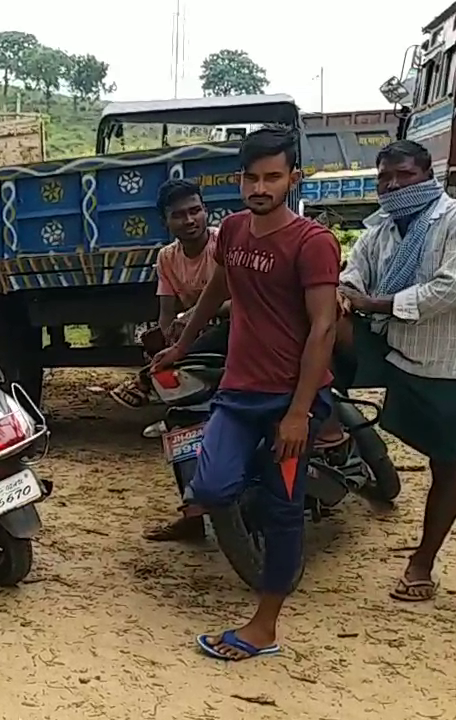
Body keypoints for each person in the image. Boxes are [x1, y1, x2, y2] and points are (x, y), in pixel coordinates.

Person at [151, 127, 341, 661]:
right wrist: (181, 346)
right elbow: (219, 288)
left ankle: (264, 628)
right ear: (239, 180)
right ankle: (268, 473)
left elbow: (323, 328)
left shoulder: (313, 242)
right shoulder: (232, 231)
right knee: (208, 488)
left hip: (288, 400)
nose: (261, 186)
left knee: (282, 513)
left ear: (292, 179)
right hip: (238, 393)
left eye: (273, 177)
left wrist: (301, 412)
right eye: (252, 177)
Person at [338, 140, 456, 602]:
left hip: (443, 362)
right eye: (383, 178)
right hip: (388, 348)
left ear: (427, 174)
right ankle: (328, 423)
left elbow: (449, 288)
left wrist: (376, 303)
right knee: (326, 320)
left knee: (447, 468)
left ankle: (421, 563)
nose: (391, 186)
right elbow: (352, 277)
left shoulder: (450, 221)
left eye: (402, 176)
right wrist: (347, 296)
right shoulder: (379, 230)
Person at [111, 179, 227, 413]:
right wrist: (166, 342)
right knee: (155, 344)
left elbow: (241, 302)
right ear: (165, 222)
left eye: (195, 211)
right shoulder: (167, 257)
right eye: (179, 215)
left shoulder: (223, 244)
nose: (189, 220)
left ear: (206, 211)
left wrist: (192, 317)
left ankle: (145, 381)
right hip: (193, 334)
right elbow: (166, 313)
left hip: (228, 328)